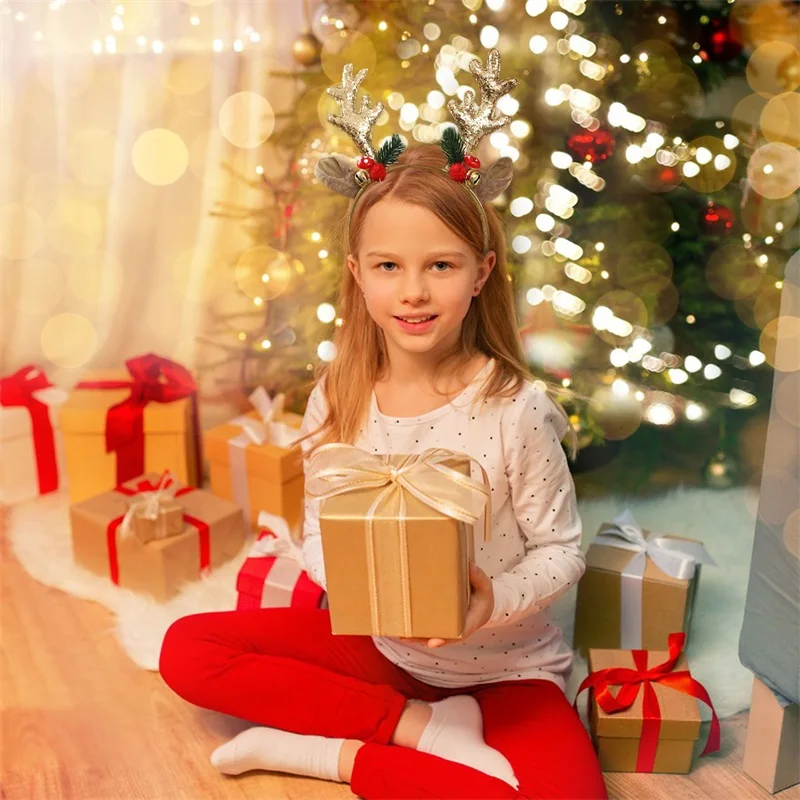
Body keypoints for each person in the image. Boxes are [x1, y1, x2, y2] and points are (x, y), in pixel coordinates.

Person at [160, 52, 607, 800]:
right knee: (187, 650)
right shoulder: (341, 394)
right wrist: (365, 594)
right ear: (358, 272)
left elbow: (562, 553)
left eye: (441, 266)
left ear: (483, 271)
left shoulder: (513, 408)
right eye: (390, 266)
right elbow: (314, 530)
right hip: (377, 651)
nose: (414, 292)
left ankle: (328, 754)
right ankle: (410, 729)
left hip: (504, 670)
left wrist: (484, 602)